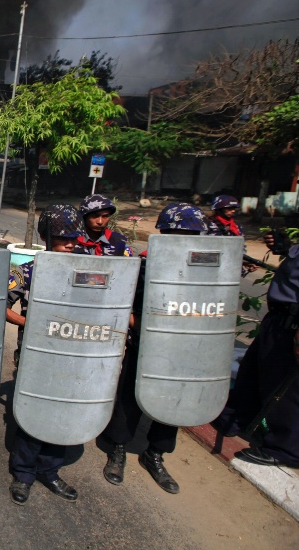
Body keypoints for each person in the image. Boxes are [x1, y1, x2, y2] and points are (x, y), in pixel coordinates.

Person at [100, 203, 211, 495]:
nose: (184, 238)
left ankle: (156, 453)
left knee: (173, 397)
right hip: (147, 341)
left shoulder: (204, 267)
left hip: (184, 346)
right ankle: (118, 448)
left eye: (191, 233)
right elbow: (126, 304)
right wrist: (144, 327)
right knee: (130, 396)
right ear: (162, 233)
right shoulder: (146, 265)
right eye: (176, 232)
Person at [5, 204, 85, 505]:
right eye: (62, 237)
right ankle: (23, 474)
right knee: (34, 414)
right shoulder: (27, 271)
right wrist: (29, 323)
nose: (69, 243)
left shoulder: (85, 270)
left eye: (73, 238)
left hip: (73, 356)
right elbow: (0, 304)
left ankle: (50, 472)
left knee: (61, 414)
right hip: (36, 355)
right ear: (47, 236)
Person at [212, 231, 299, 468]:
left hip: (294, 323)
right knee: (254, 371)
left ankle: (285, 449)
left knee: (287, 389)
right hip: (280, 319)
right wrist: (286, 248)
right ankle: (235, 419)